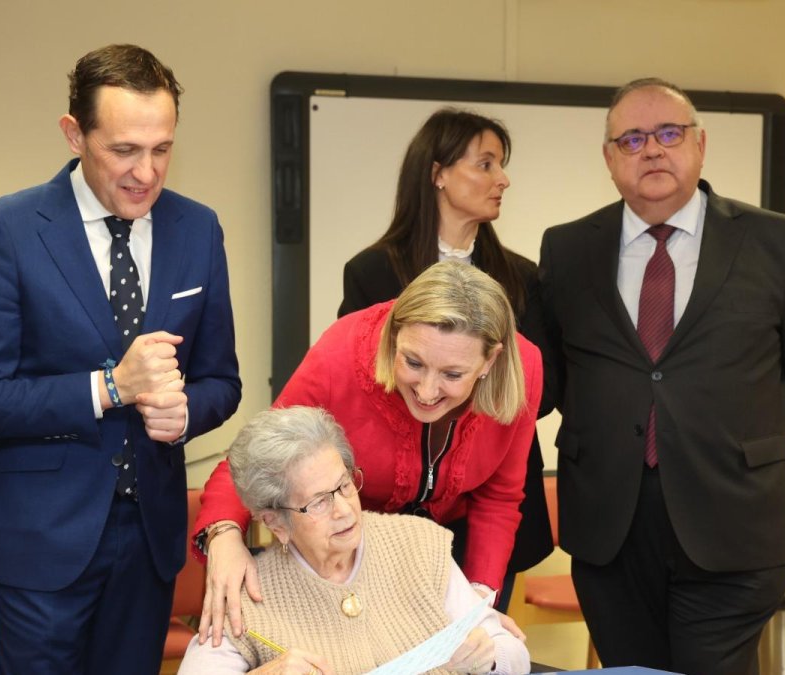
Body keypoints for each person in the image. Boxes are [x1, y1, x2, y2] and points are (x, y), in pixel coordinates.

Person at [0, 44, 241, 674]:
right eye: (124, 150)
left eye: (162, 149)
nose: (146, 172)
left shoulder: (198, 229)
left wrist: (187, 415)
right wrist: (107, 387)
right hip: (42, 539)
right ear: (74, 134)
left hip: (151, 541)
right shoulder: (10, 229)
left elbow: (222, 380)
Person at [538, 77, 785, 673]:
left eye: (669, 133)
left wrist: (744, 443)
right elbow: (560, 372)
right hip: (610, 527)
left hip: (734, 520)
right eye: (631, 139)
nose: (652, 149)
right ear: (609, 157)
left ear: (700, 145)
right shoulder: (568, 248)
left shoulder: (778, 241)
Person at [194, 261, 541, 645]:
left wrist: (477, 599)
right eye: (413, 363)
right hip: (351, 550)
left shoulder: (524, 367)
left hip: (455, 551)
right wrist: (223, 535)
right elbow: (252, 462)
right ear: (394, 335)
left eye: (452, 375)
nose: (427, 391)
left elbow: (499, 496)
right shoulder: (340, 354)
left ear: (489, 361)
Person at [338, 108, 553, 609]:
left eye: (501, 165)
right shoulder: (373, 272)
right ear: (437, 174)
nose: (502, 179)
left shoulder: (521, 278)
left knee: (478, 648)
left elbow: (547, 392)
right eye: (485, 164)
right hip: (390, 511)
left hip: (488, 505)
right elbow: (360, 387)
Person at [179, 406, 530, 674]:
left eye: (345, 485)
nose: (345, 510)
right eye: (318, 502)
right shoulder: (248, 594)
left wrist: (491, 658)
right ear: (275, 522)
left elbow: (513, 652)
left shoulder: (416, 544)